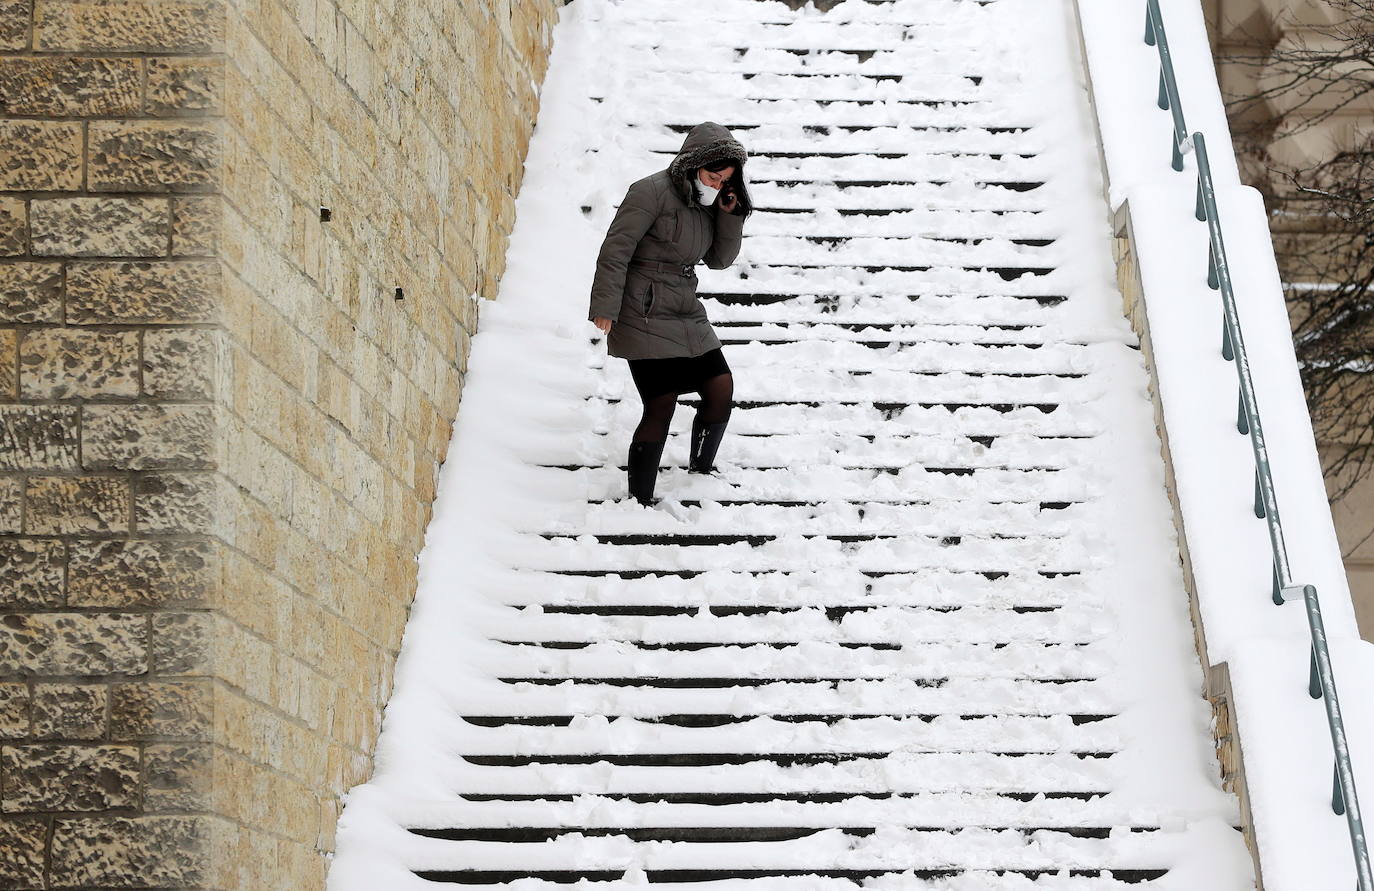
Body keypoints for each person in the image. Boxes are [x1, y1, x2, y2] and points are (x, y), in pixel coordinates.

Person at [588, 121, 754, 506]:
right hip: (641, 308)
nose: (716, 185)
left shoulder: (708, 204)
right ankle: (639, 499)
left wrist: (730, 216)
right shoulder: (649, 192)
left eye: (724, 181)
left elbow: (719, 260)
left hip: (684, 306)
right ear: (693, 164)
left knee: (720, 387)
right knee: (661, 404)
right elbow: (616, 250)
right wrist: (606, 307)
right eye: (713, 176)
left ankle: (701, 473)